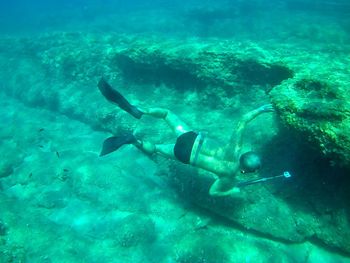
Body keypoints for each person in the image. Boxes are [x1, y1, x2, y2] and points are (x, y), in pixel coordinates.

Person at [97, 78, 274, 197]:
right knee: (157, 149)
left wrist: (259, 110)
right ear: (246, 170)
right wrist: (232, 190)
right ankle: (133, 140)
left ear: (246, 153)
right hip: (186, 155)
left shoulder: (235, 148)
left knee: (167, 114)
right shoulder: (230, 176)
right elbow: (213, 192)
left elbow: (242, 121)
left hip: (192, 139)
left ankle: (139, 110)